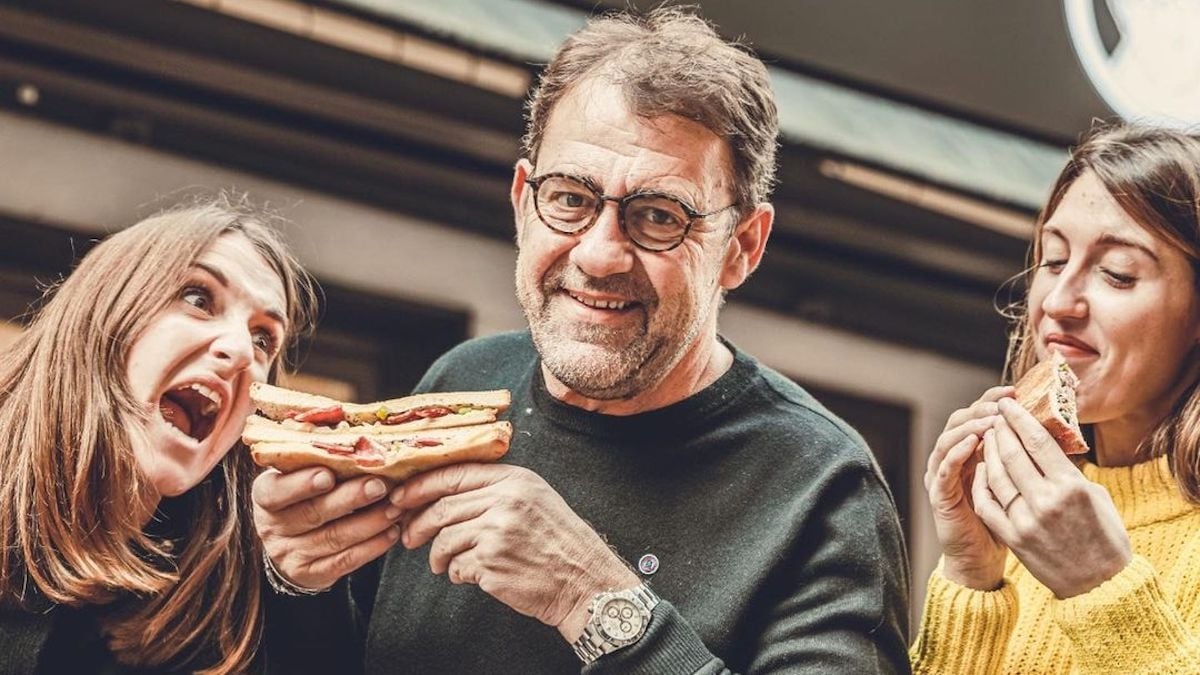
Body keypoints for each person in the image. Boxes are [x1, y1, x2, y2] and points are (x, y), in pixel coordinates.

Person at [255, 8, 909, 674]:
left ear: (743, 247)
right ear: (521, 202)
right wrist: (298, 582)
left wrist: (595, 600)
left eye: (658, 216)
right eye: (569, 198)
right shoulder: (461, 385)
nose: (599, 255)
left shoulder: (823, 488)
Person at [910, 124, 1200, 673]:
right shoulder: (1030, 516)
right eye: (1054, 260)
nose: (1058, 302)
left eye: (1117, 274)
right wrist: (971, 573)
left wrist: (1101, 585)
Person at [0, 195, 316, 674]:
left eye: (263, 338)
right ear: (103, 312)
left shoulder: (231, 609)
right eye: (197, 298)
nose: (239, 352)